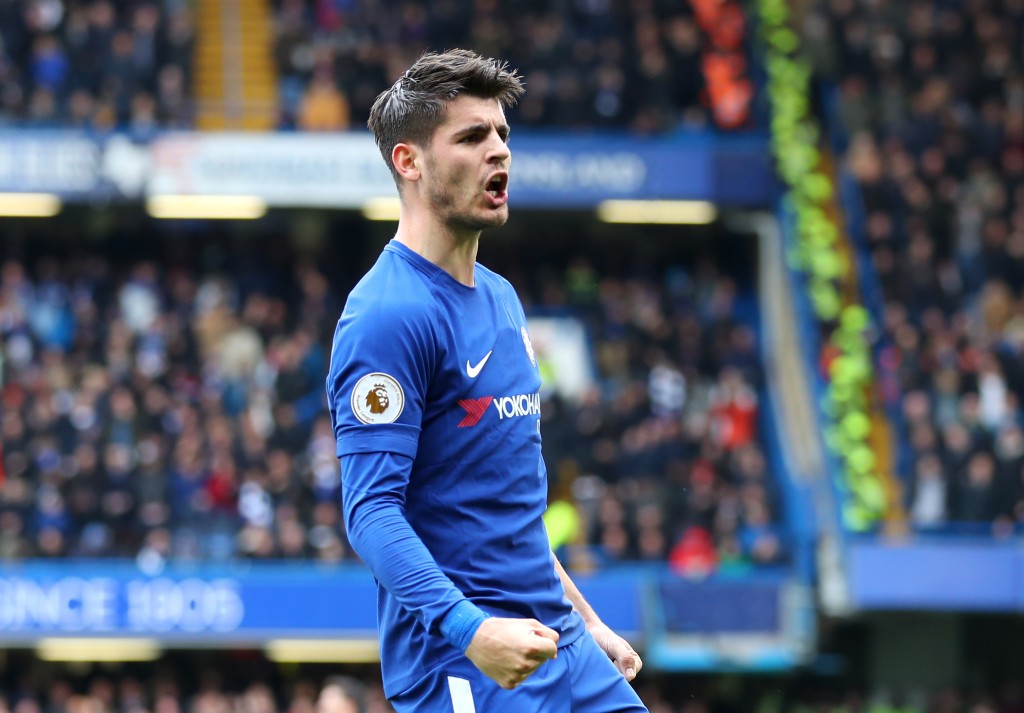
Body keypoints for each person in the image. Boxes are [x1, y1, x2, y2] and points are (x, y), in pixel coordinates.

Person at [326, 49, 647, 712]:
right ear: (408, 162)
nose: (498, 151)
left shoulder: (501, 298)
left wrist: (584, 618)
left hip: (555, 641)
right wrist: (473, 631)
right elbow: (371, 512)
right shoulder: (387, 316)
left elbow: (511, 507)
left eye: (502, 134)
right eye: (472, 137)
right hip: (463, 663)